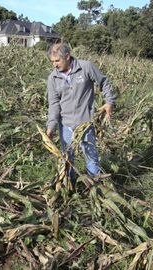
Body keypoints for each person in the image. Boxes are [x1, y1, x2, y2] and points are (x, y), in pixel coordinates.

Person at [45, 43, 116, 188]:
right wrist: (50, 126)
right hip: (66, 125)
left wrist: (109, 101)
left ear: (67, 57)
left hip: (86, 123)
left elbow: (104, 82)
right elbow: (53, 104)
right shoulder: (53, 78)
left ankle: (95, 188)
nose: (55, 65)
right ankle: (70, 188)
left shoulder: (85, 67)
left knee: (91, 157)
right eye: (52, 61)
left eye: (57, 61)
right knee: (67, 159)